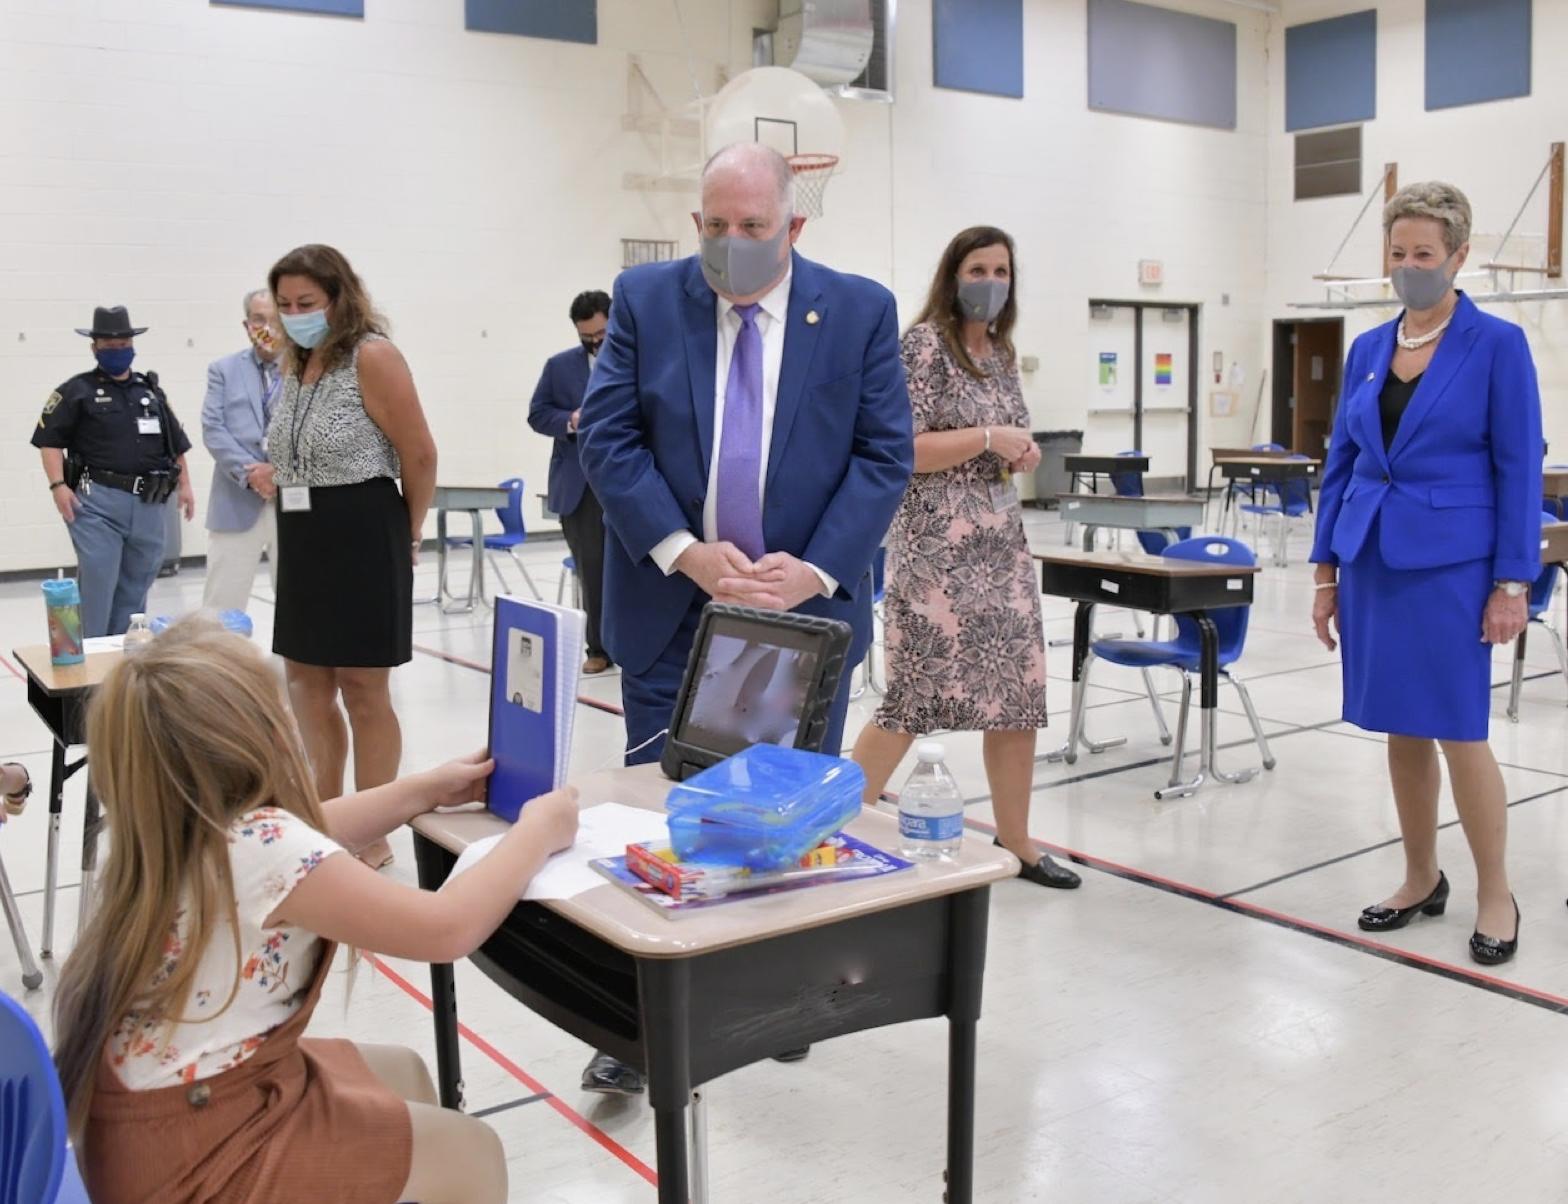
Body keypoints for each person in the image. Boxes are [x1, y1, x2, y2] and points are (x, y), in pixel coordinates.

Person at [575, 141, 913, 1095]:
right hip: (671, 603)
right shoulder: (646, 300)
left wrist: (813, 569)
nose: (731, 244)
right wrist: (684, 551)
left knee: (782, 816)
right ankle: (639, 1023)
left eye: (753, 228)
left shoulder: (858, 312)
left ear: (793, 228)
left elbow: (882, 456)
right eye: (714, 226)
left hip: (796, 616)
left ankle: (779, 993)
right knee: (656, 820)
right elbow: (608, 435)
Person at [50, 617, 579, 1204]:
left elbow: (314, 831)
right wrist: (537, 832)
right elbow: (446, 927)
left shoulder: (183, 828)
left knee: (403, 1071)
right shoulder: (262, 846)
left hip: (150, 1130)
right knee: (470, 1152)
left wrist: (425, 788)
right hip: (195, 1151)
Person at [1310, 181, 1541, 967]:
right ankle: (1419, 876)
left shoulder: (1498, 345)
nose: (1410, 266)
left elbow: (1518, 468)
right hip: (1373, 559)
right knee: (1401, 727)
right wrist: (1324, 571)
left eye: (1425, 255)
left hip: (1454, 567)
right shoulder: (1369, 349)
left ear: (1459, 258)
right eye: (1399, 254)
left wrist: (1514, 584)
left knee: (1459, 730)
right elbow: (1342, 462)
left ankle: (1497, 892)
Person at [850, 226, 1080, 892]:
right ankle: (840, 829)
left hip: (1000, 546)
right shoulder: (923, 346)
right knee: (914, 698)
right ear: (952, 277)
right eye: (978, 268)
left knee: (1017, 696)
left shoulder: (1002, 353)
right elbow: (905, 449)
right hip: (936, 553)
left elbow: (1007, 437)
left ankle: (1017, 841)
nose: (991, 281)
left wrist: (1019, 450)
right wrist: (988, 437)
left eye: (1002, 270)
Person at [265, 245, 439, 871]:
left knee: (365, 691)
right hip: (305, 538)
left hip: (365, 533)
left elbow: (419, 455)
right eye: (284, 305)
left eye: (306, 304)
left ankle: (373, 827)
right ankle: (323, 818)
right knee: (307, 688)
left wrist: (409, 534)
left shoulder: (373, 356)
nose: (293, 314)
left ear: (339, 298)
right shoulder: (297, 363)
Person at [31, 306, 197, 637]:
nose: (117, 350)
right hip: (98, 503)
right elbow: (49, 441)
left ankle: (123, 663)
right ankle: (88, 668)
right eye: (109, 345)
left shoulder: (150, 391)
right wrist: (58, 486)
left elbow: (174, 443)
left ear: (132, 344)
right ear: (94, 348)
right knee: (98, 583)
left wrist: (187, 487)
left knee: (137, 588)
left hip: (150, 503)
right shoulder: (76, 390)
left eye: (123, 344)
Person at [528, 289, 613, 674]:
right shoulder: (559, 367)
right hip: (580, 488)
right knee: (591, 570)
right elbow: (537, 414)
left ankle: (641, 650)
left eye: (601, 335)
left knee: (642, 572)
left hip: (630, 482)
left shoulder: (640, 359)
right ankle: (598, 649)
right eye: (586, 338)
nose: (595, 343)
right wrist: (571, 421)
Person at [201, 289, 284, 612]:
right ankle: (218, 665)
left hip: (291, 500)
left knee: (298, 605)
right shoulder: (223, 370)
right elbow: (214, 429)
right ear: (246, 325)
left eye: (275, 320)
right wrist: (253, 475)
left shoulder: (307, 370)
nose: (267, 327)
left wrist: (280, 473)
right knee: (222, 608)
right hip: (235, 499)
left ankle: (291, 665)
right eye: (259, 319)